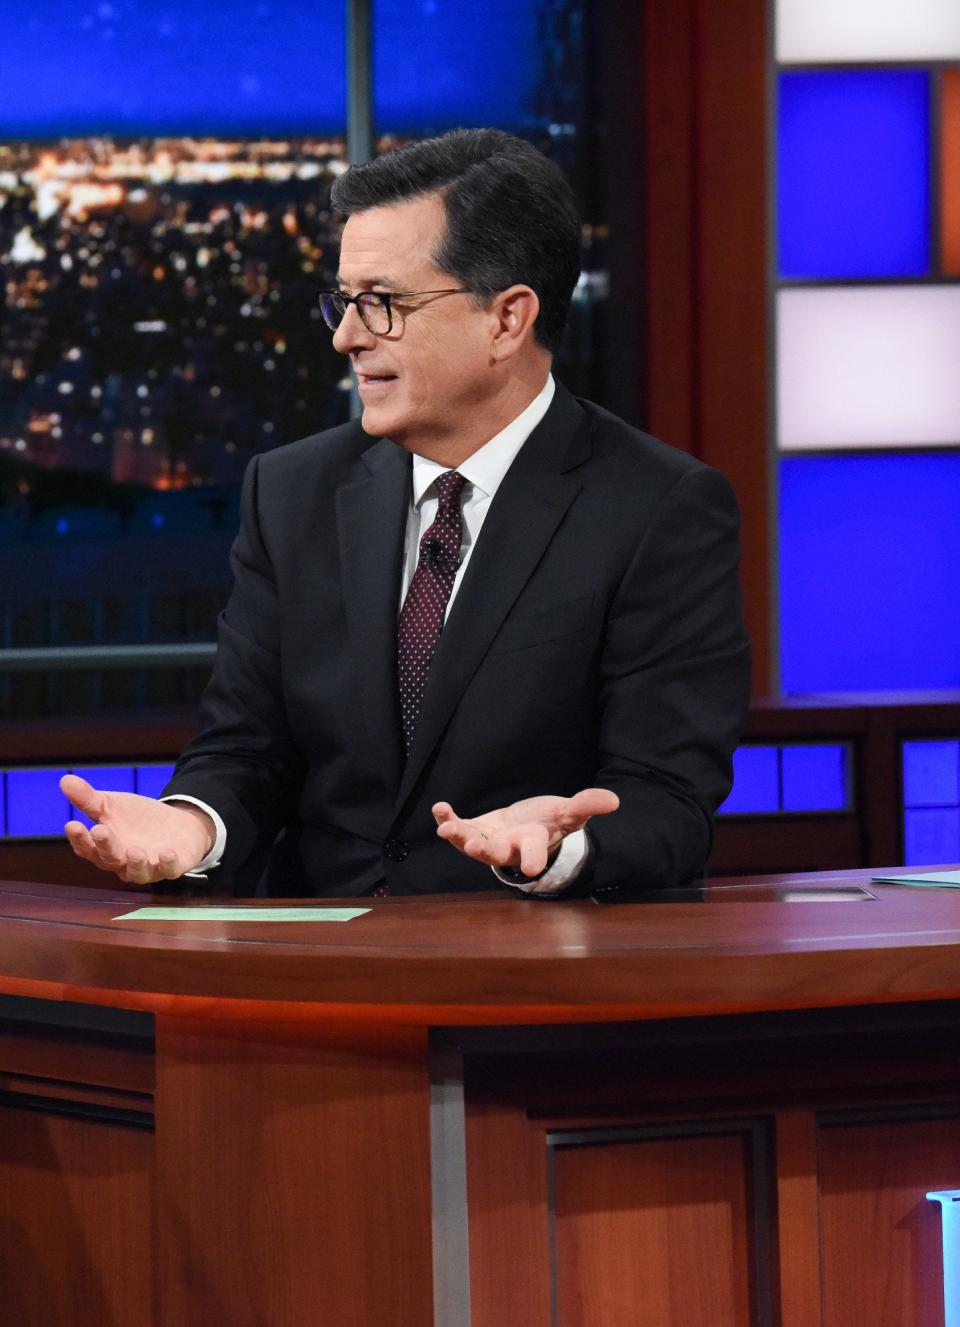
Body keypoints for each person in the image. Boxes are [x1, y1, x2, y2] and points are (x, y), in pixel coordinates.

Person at [61, 129, 750, 899]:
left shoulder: (658, 508)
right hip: (321, 971)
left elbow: (668, 800)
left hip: (536, 976)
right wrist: (191, 826)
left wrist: (559, 846)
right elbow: (247, 752)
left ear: (507, 319)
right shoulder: (290, 493)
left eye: (383, 304)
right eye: (345, 301)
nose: (346, 336)